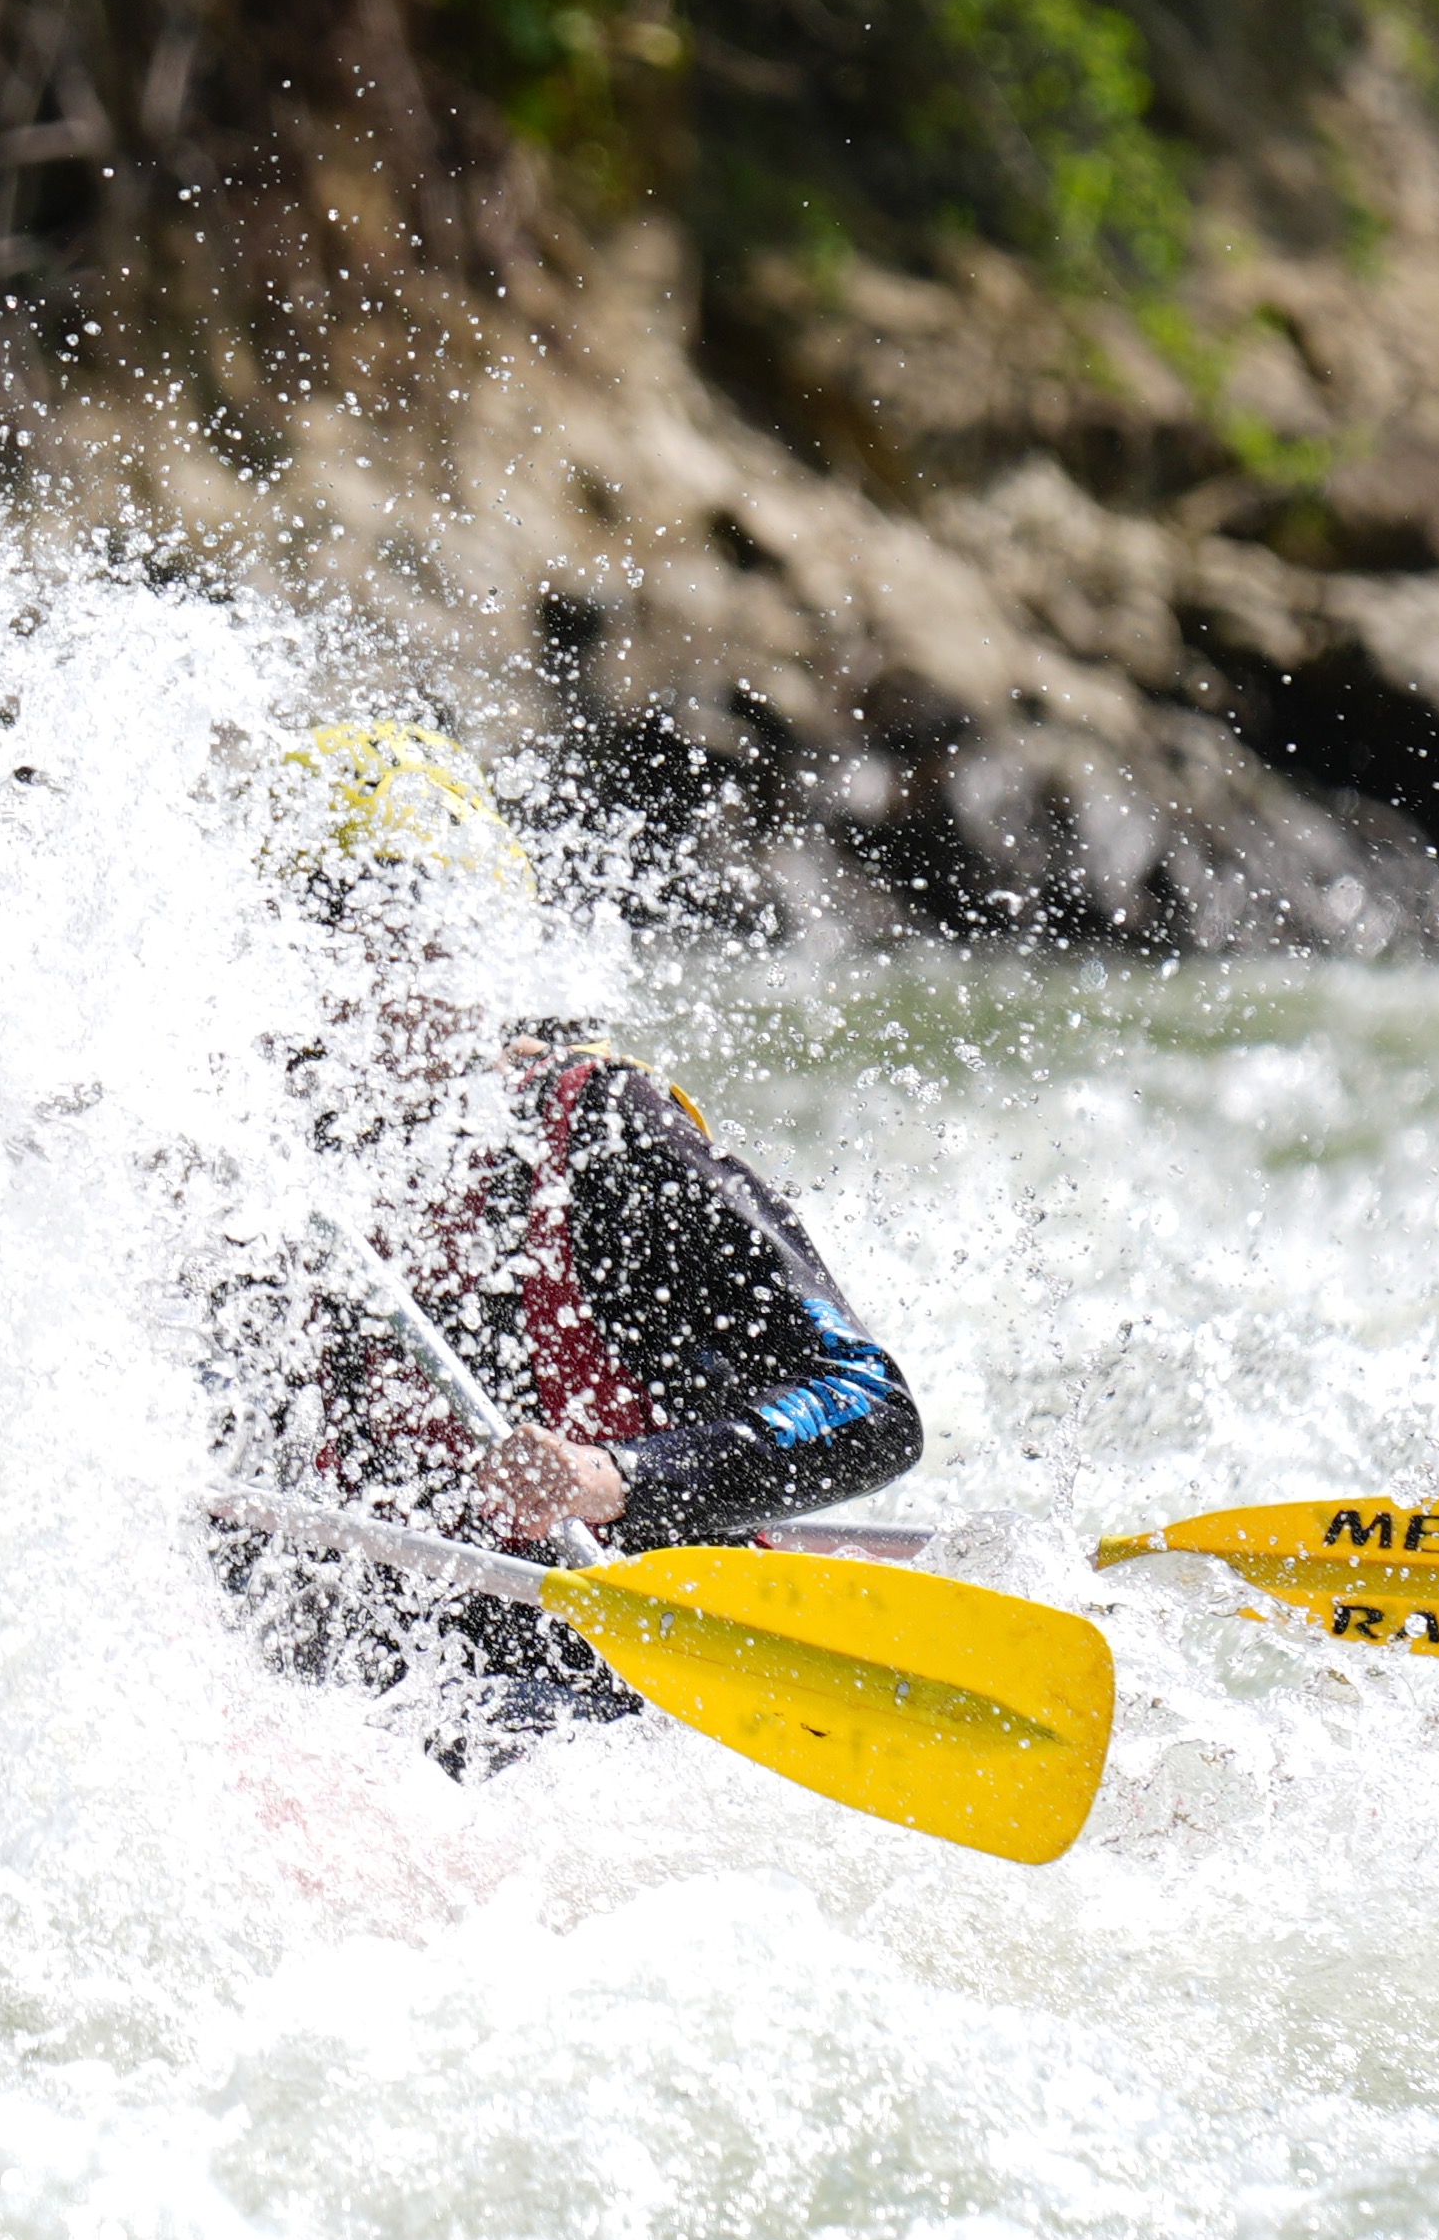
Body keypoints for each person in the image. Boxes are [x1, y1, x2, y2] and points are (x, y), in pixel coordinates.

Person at [221, 722, 924, 1745]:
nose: (358, 976)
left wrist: (617, 1479)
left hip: (626, 1711)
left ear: (474, 945)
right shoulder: (270, 1177)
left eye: (395, 921)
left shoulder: (608, 1137)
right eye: (319, 927)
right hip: (373, 1708)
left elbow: (871, 1407)